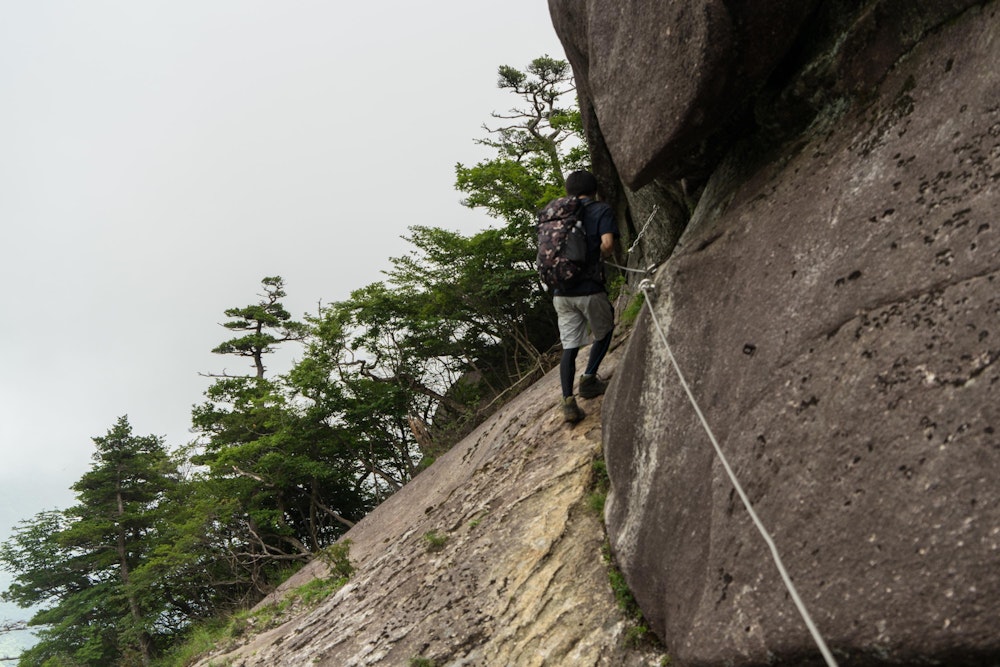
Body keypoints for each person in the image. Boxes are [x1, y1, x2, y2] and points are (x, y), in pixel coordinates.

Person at [553, 170, 618, 423]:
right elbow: (609, 244)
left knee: (569, 346)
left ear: (569, 190)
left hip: (561, 292)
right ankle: (589, 379)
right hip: (589, 289)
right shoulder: (600, 210)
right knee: (606, 328)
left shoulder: (558, 215)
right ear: (594, 189)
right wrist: (597, 256)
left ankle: (568, 402)